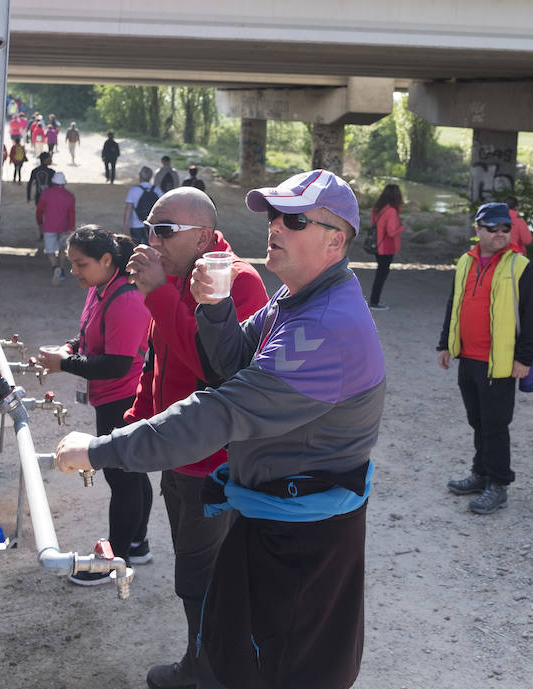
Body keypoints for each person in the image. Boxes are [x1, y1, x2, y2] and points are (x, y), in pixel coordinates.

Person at [54, 170, 385, 689]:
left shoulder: (322, 327)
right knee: (246, 646)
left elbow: (218, 409)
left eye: (293, 218)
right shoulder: (294, 299)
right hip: (274, 511)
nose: (274, 226)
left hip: (303, 532)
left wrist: (100, 450)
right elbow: (229, 362)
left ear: (335, 241)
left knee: (286, 663)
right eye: (273, 215)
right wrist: (216, 306)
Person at [121, 186, 267, 689]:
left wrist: (158, 293)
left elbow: (213, 367)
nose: (152, 240)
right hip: (179, 452)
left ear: (204, 235)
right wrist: (139, 418)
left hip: (214, 463)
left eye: (164, 231)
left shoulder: (237, 282)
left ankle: (207, 673)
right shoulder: (178, 277)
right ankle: (208, 664)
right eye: (148, 229)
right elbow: (158, 358)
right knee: (194, 567)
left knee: (203, 577)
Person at [37, 227, 154, 585]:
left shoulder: (128, 298)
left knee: (120, 475)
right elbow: (89, 335)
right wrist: (69, 350)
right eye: (71, 263)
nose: (74, 271)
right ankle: (138, 542)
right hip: (110, 394)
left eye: (80, 264)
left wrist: (63, 364)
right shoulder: (101, 287)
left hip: (124, 396)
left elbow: (117, 363)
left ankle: (115, 559)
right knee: (132, 470)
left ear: (107, 261)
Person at [437, 202, 533, 515]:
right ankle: (480, 473)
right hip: (468, 358)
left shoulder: (521, 267)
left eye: (504, 229)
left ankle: (498, 484)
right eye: (492, 228)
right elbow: (453, 304)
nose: (500, 234)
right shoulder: (464, 263)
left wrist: (523, 359)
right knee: (477, 420)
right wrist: (445, 344)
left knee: (495, 424)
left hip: (499, 363)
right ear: (478, 229)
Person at [368, 183, 405, 311]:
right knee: (381, 274)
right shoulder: (391, 211)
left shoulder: (378, 208)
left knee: (380, 273)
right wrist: (401, 228)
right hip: (386, 248)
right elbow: (391, 232)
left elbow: (374, 224)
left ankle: (374, 300)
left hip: (377, 245)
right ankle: (374, 301)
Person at [35, 171, 75, 285]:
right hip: (64, 227)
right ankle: (62, 270)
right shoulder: (70, 196)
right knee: (62, 250)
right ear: (64, 183)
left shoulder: (47, 193)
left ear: (53, 182)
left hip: (49, 227)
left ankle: (54, 267)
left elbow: (39, 210)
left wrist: (40, 223)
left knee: (50, 251)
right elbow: (71, 215)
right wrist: (71, 229)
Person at [123, 166, 161, 246]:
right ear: (150, 177)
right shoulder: (157, 190)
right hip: (150, 225)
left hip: (135, 225)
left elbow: (128, 209)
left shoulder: (133, 190)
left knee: (135, 248)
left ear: (140, 176)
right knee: (150, 249)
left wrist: (126, 226)